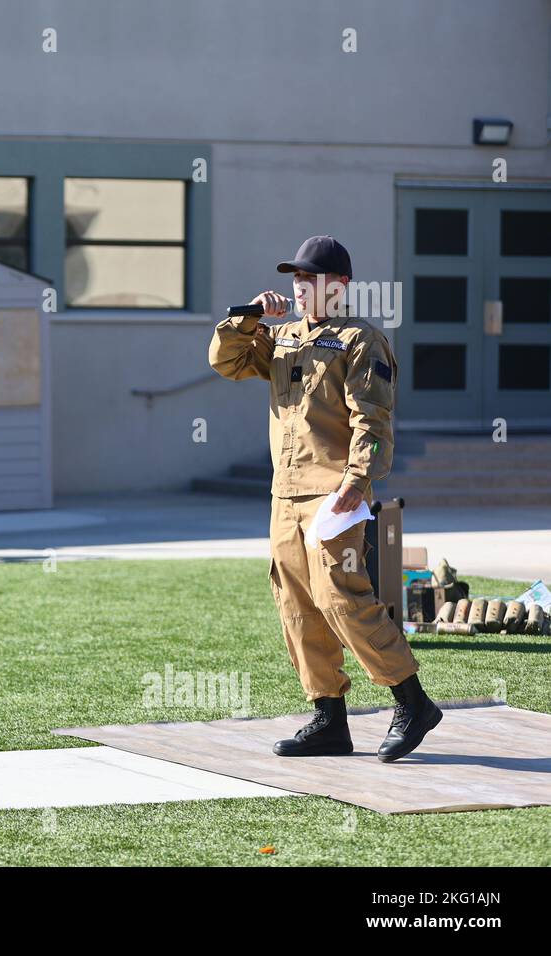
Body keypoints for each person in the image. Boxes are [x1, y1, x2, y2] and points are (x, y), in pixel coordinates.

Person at [208, 235, 441, 763]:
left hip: (334, 493)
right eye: (296, 279)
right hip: (284, 493)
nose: (300, 287)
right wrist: (248, 322)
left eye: (310, 279)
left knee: (342, 596)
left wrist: (356, 483)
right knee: (296, 604)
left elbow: (372, 419)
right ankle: (329, 719)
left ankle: (412, 701)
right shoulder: (285, 335)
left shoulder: (362, 339)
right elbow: (227, 362)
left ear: (339, 286)